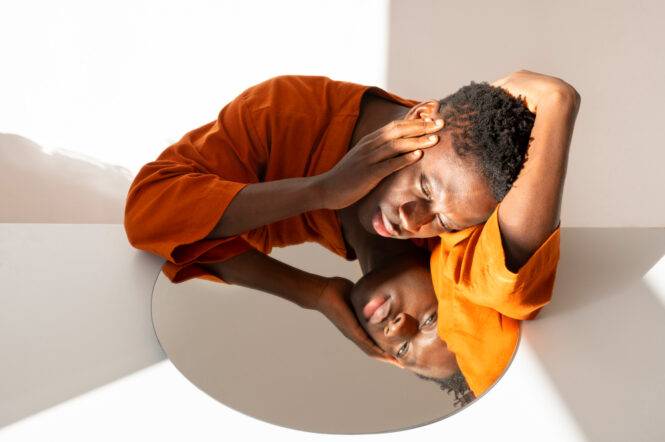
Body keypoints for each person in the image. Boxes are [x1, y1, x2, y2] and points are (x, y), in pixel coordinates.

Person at [123, 71, 554, 365]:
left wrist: (315, 293)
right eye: (424, 189)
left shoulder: (461, 208)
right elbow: (149, 211)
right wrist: (322, 189)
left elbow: (512, 291)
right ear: (422, 120)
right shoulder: (284, 112)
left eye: (441, 222)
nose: (413, 221)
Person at [347, 70, 580, 402]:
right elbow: (509, 270)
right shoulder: (453, 242)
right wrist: (557, 102)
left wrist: (314, 293)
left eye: (402, 350)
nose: (396, 327)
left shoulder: (440, 227)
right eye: (430, 319)